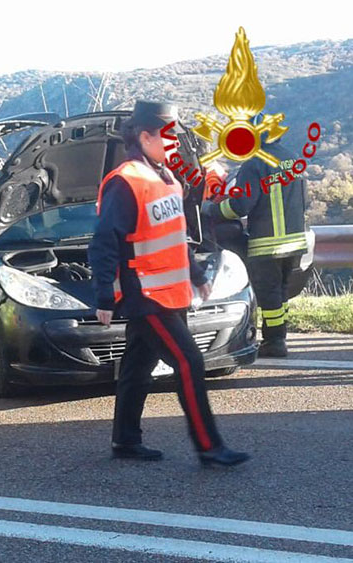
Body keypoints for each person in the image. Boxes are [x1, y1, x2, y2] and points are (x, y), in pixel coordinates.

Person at [89, 100, 249, 467]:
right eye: (168, 136)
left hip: (171, 293)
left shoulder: (168, 179)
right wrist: (103, 296)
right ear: (145, 137)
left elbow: (177, 236)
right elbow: (104, 241)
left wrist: (196, 275)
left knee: (136, 366)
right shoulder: (126, 181)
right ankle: (209, 446)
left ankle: (125, 440)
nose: (174, 144)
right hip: (145, 294)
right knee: (190, 362)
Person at [202, 113, 307, 357]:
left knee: (269, 294)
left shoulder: (254, 164)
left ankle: (275, 342)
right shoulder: (293, 158)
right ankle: (279, 336)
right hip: (295, 241)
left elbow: (240, 206)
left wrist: (211, 209)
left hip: (268, 244)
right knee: (281, 293)